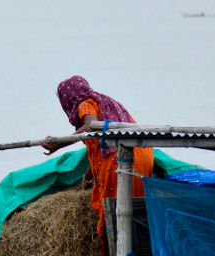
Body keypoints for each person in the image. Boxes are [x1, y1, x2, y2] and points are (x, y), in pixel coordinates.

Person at [40, 75, 154, 239]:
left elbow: (90, 127)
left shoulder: (85, 104)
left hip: (122, 160)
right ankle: (135, 250)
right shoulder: (105, 102)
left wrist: (59, 143)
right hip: (142, 155)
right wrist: (86, 179)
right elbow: (100, 151)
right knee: (136, 211)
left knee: (115, 214)